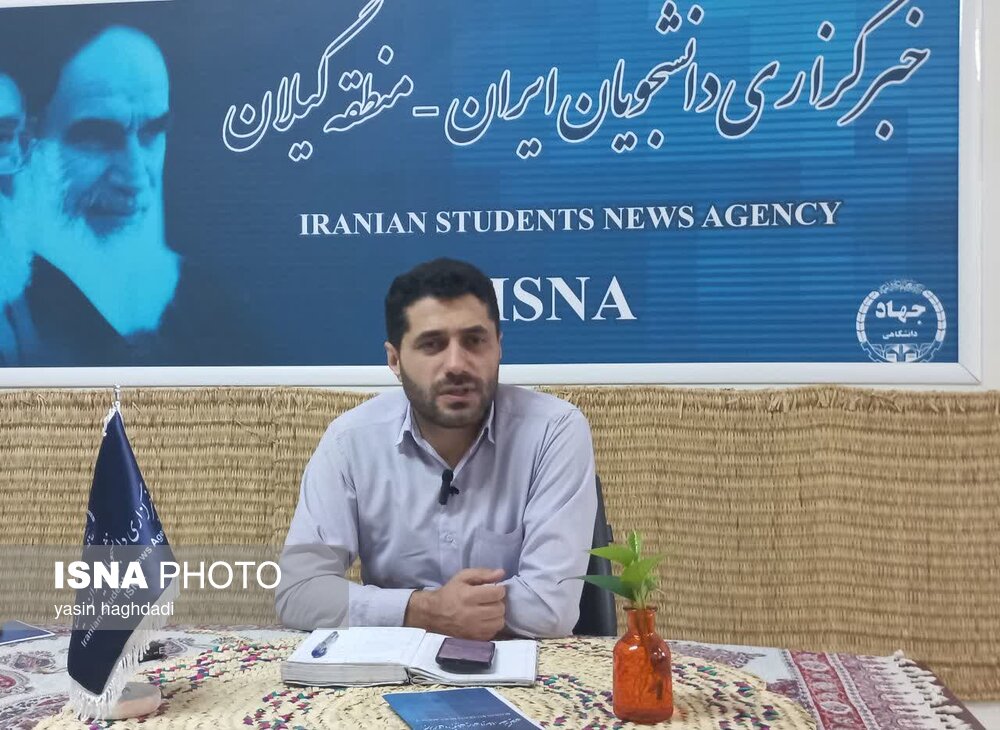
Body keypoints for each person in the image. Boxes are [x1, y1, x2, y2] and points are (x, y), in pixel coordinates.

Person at [277, 258, 598, 639]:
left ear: (499, 346)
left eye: (474, 341)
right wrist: (424, 610)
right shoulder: (351, 441)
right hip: (389, 666)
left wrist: (419, 611)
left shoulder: (553, 431)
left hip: (523, 663)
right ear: (394, 359)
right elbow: (298, 591)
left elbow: (550, 609)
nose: (456, 364)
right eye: (432, 345)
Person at [8, 23, 180, 364]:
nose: (135, 177)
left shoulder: (210, 307)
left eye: (151, 132)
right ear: (27, 145)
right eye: (97, 136)